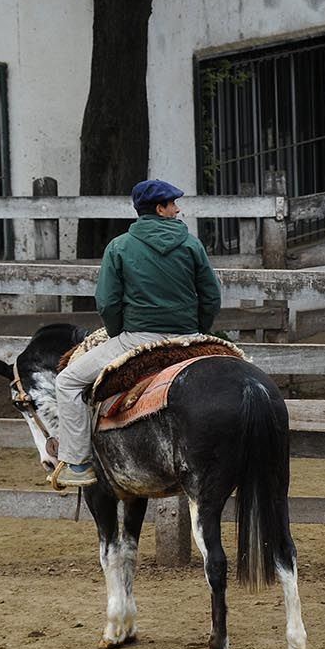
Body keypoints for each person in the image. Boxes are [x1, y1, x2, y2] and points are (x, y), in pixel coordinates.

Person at [51, 179, 221, 488]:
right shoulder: (192, 244)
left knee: (66, 381)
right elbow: (211, 297)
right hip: (188, 338)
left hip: (138, 338)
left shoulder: (118, 247)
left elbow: (107, 302)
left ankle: (77, 463)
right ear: (160, 209)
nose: (178, 208)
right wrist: (196, 330)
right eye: (173, 204)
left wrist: (118, 334)